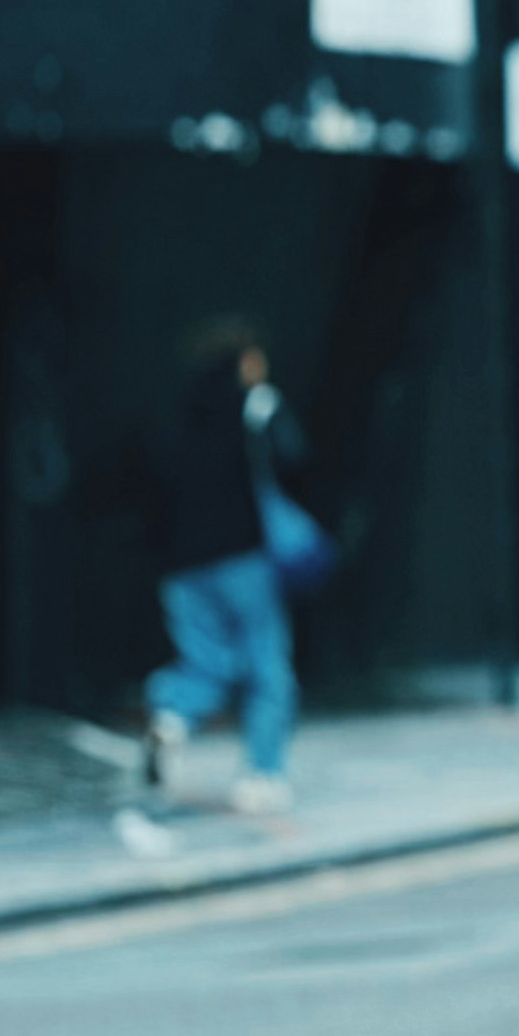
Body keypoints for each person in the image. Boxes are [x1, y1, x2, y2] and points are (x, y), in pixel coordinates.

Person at [144, 322, 307, 814]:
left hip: (181, 566)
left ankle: (172, 714)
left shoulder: (175, 411)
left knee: (204, 662)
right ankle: (263, 775)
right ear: (246, 360)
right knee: (266, 666)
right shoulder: (252, 407)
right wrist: (266, 404)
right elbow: (296, 456)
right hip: (241, 559)